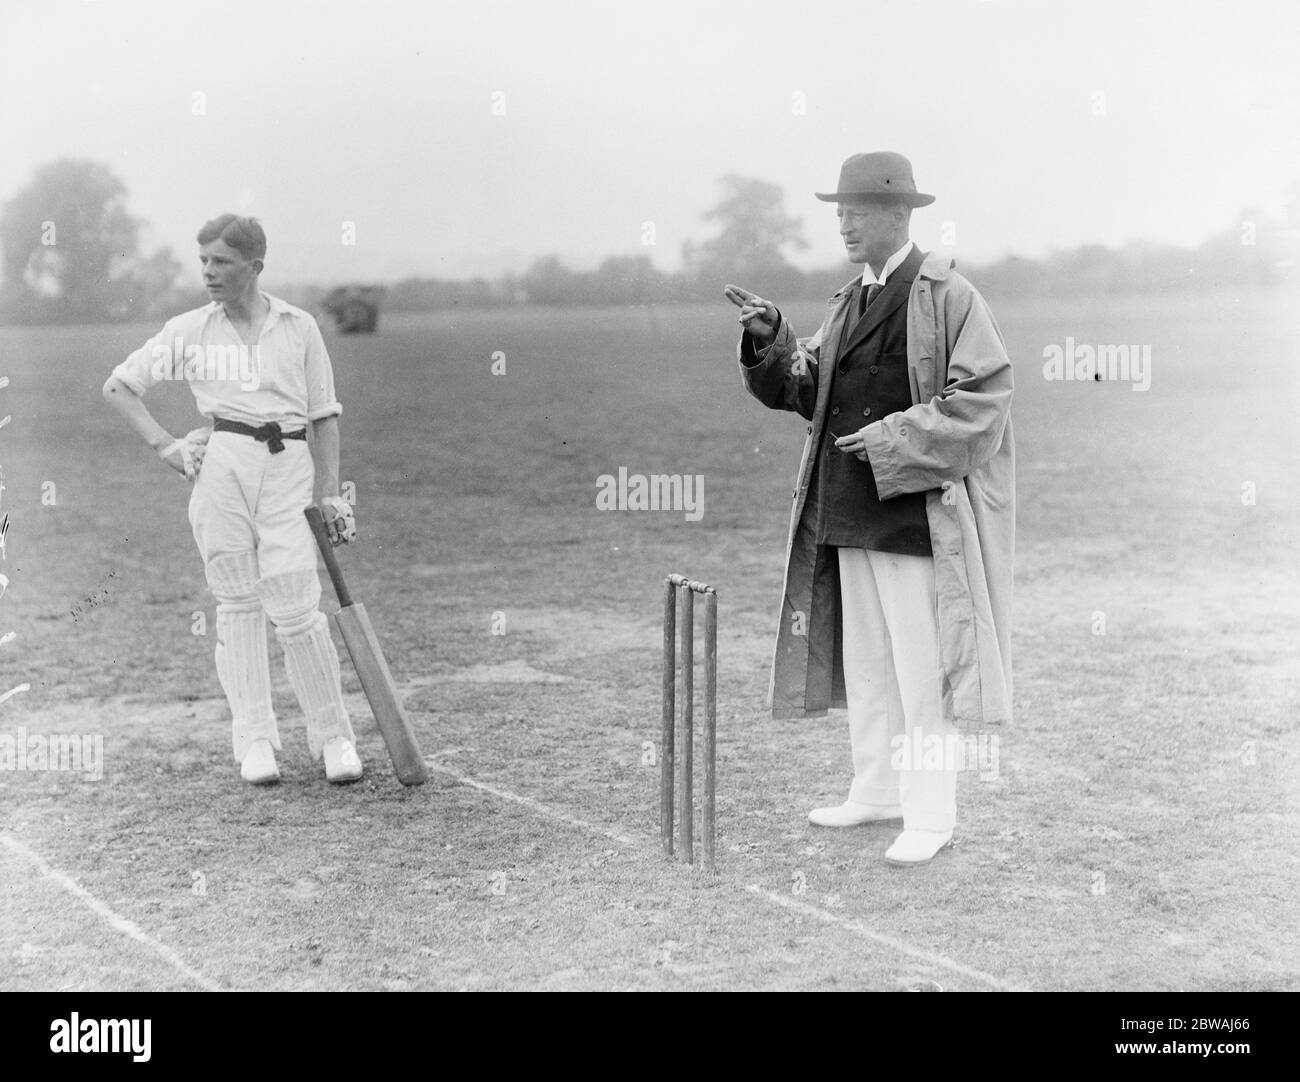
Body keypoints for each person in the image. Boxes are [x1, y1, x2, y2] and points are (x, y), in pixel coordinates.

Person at [727, 152, 1015, 866]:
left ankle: (930, 814)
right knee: (869, 666)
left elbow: (982, 405)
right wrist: (770, 341)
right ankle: (877, 791)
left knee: (923, 671)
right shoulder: (848, 300)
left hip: (918, 520)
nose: (843, 223)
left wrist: (892, 437)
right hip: (847, 511)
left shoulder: (950, 297)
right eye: (839, 211)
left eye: (855, 211)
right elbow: (806, 391)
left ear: (898, 214)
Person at [102, 214, 363, 786]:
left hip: (290, 469)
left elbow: (324, 416)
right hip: (221, 470)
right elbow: (119, 386)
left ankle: (334, 736)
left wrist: (331, 492)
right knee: (239, 605)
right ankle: (254, 741)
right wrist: (167, 445)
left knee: (296, 604)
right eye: (204, 263)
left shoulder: (299, 327)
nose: (209, 273)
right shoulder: (191, 328)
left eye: (221, 262)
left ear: (255, 266)